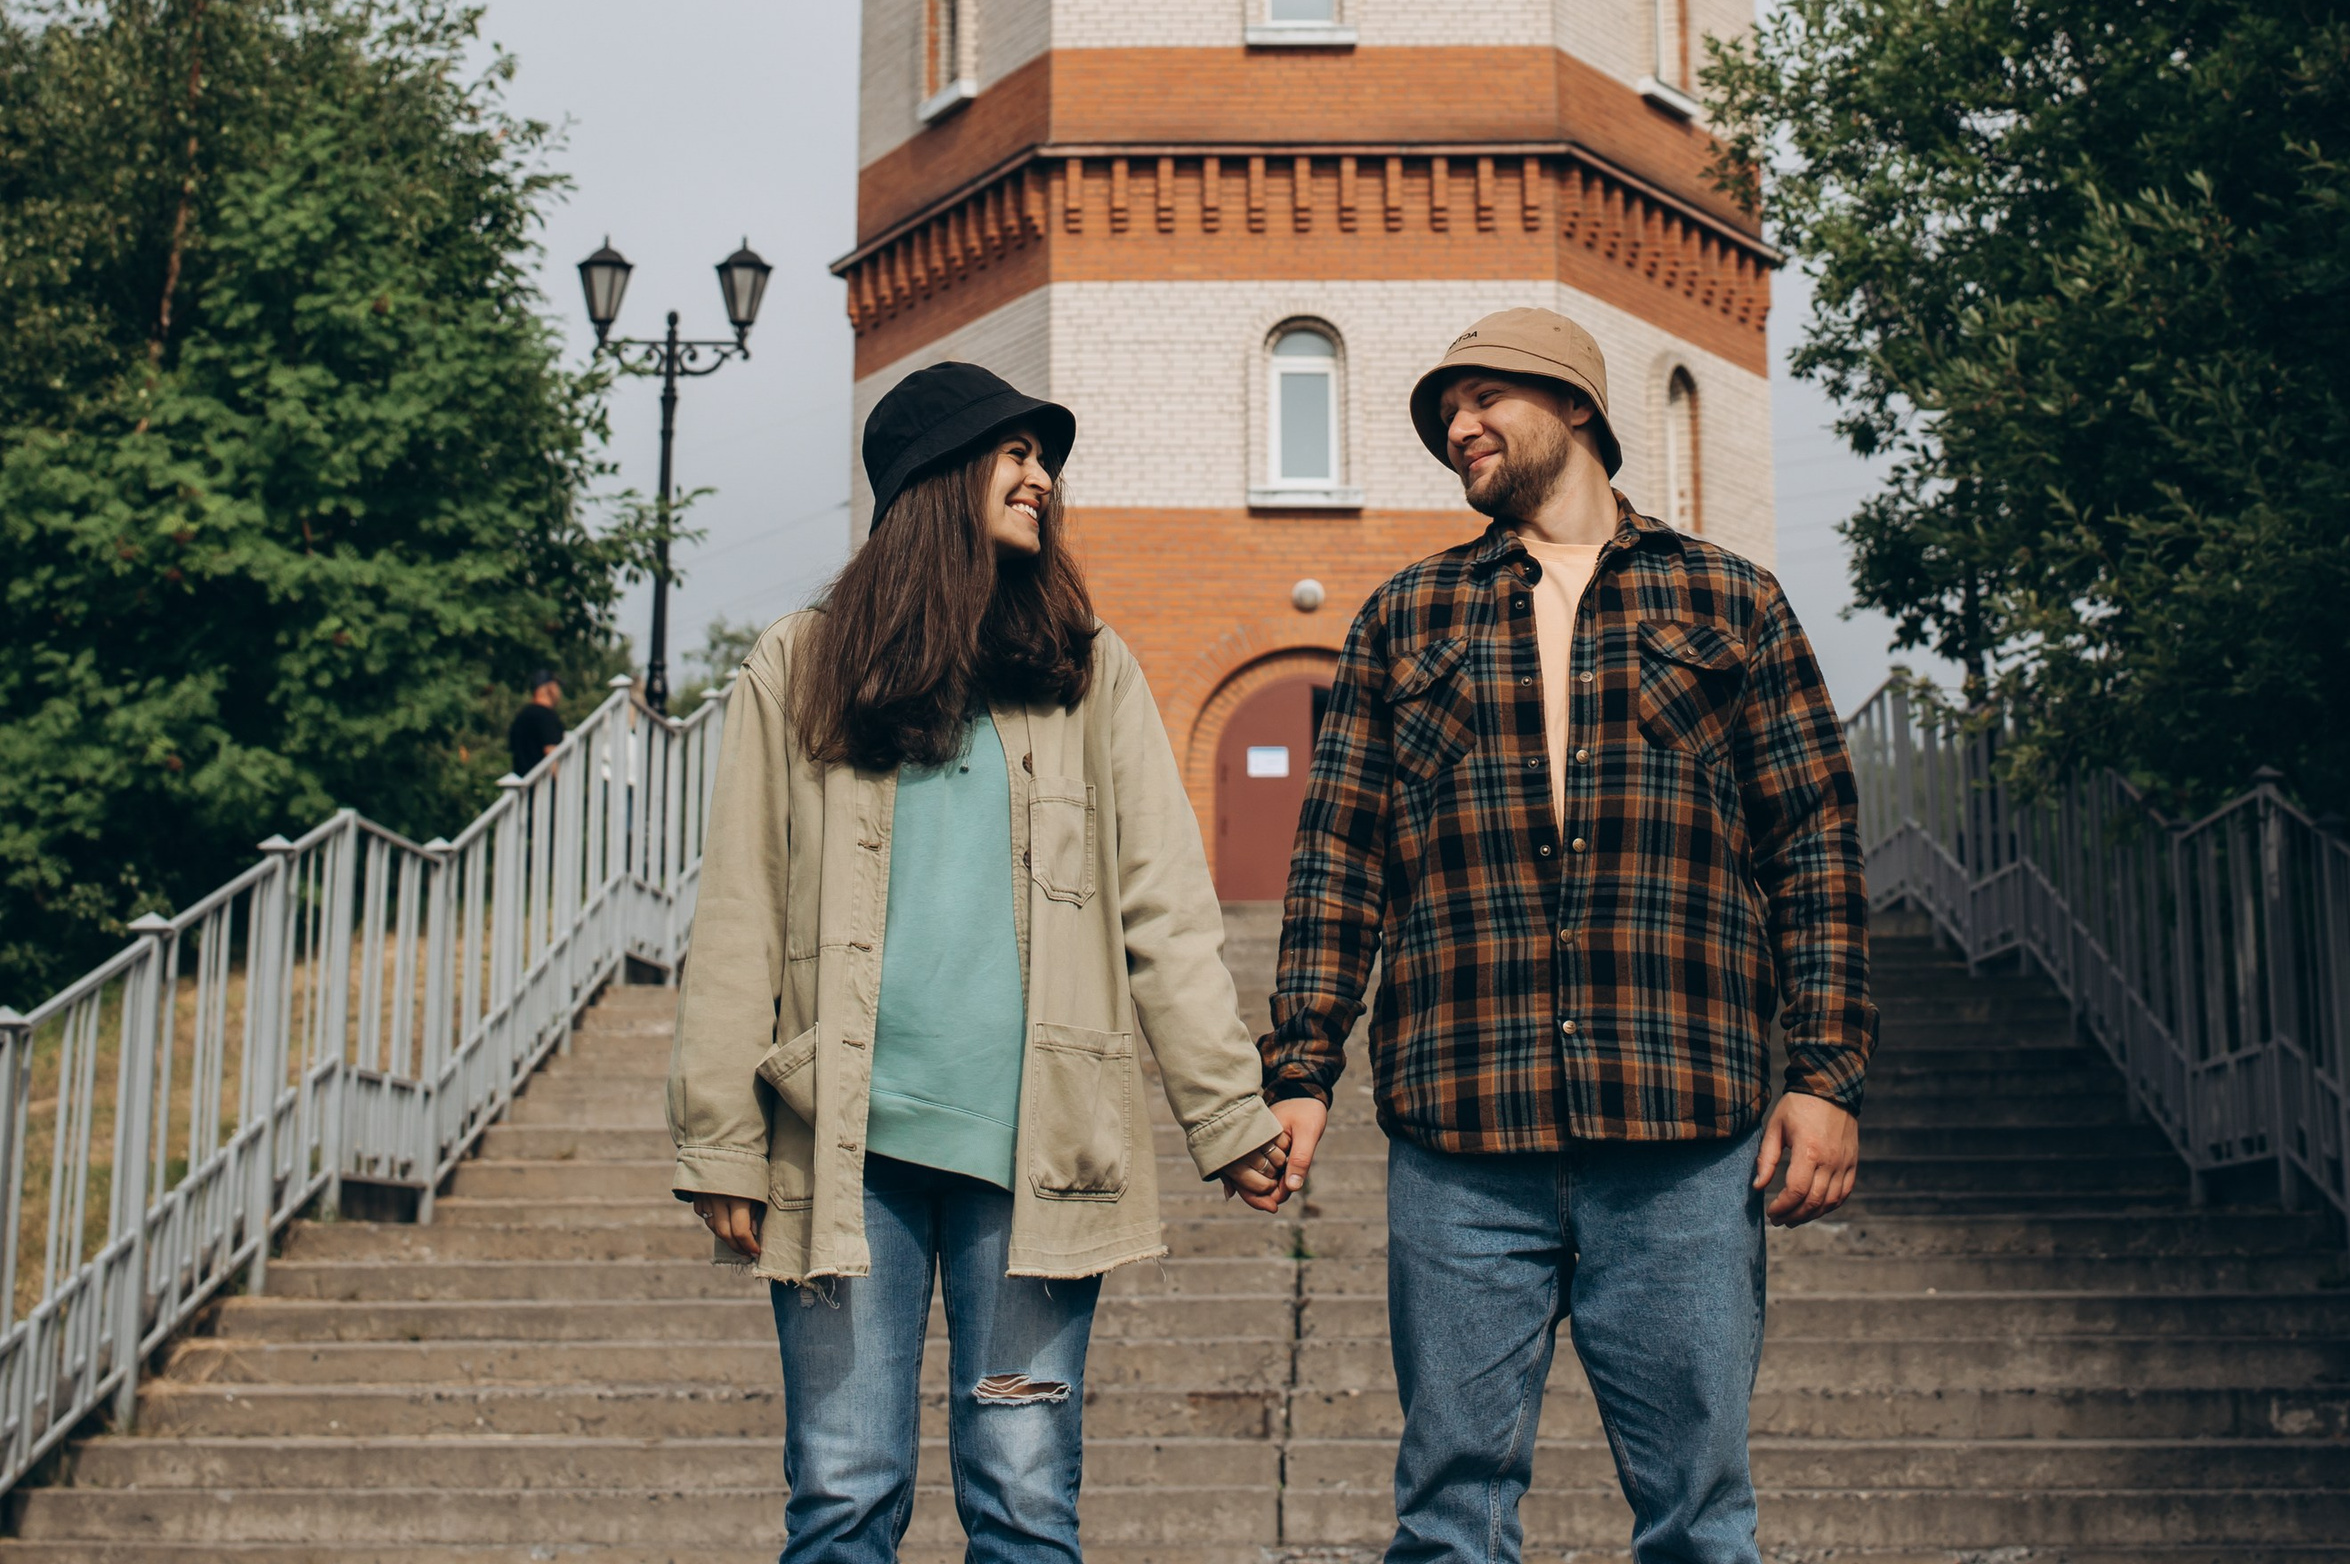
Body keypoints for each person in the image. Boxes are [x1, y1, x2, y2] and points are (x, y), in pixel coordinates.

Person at [1261, 310, 1878, 1564]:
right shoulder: (1407, 617)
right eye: (1445, 413)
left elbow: (1812, 851)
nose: (1457, 427)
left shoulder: (1731, 601)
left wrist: (1823, 1077)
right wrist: (1300, 1067)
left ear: (1579, 407)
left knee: (1699, 1517)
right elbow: (1338, 860)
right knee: (1448, 1517)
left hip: (1682, 1138)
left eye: (1484, 398)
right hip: (1461, 1138)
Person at [668, 360, 1291, 1564]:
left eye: (1042, 458)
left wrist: (1229, 1112)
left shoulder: (1084, 667)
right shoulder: (800, 667)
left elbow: (1165, 906)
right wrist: (720, 1140)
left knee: (1023, 1501)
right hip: (844, 1155)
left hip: (1039, 1157)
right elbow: (738, 912)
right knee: (844, 1497)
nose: (1041, 478)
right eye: (1012, 454)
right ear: (935, 482)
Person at [508, 669, 566, 777]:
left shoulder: (522, 716)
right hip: (542, 787)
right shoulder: (546, 716)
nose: (559, 692)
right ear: (550, 688)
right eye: (557, 686)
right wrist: (560, 784)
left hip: (524, 786)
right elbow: (551, 752)